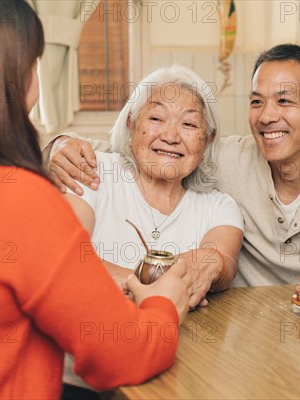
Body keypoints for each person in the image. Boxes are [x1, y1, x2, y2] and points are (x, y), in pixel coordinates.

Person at [0, 1, 191, 398]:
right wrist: (164, 304)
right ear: (7, 79)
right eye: (34, 65)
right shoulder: (16, 200)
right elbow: (123, 354)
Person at [44, 44, 300, 292]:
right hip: (242, 342)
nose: (267, 116)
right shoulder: (224, 157)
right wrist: (58, 145)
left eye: (284, 101)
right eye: (256, 102)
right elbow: (142, 149)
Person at [59, 64, 244, 396]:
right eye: (156, 119)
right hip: (79, 381)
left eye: (189, 124)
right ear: (131, 125)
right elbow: (68, 257)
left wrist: (210, 264)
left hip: (176, 379)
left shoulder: (219, 206)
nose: (171, 136)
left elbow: (222, 260)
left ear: (208, 140)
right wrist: (164, 289)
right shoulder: (94, 172)